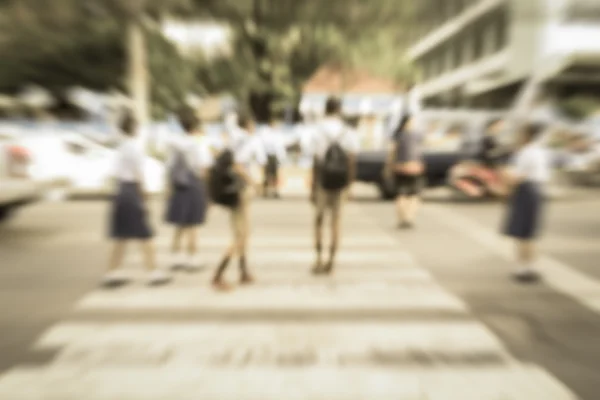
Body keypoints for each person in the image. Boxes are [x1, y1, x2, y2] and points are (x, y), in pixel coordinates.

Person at [103, 112, 170, 286]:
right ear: (133, 128)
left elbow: (115, 173)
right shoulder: (134, 147)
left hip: (120, 190)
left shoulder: (121, 146)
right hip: (131, 191)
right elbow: (138, 174)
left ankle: (112, 273)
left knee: (121, 235)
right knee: (145, 233)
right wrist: (144, 195)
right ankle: (153, 272)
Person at [308, 97, 359, 275]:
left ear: (325, 109)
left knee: (319, 221)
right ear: (339, 110)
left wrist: (312, 187)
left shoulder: (317, 131)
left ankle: (318, 258)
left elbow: (315, 160)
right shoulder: (348, 131)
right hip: (341, 182)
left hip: (323, 180)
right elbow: (352, 160)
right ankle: (331, 260)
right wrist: (350, 185)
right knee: (336, 222)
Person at [210, 115, 262, 290]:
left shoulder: (232, 138)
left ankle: (243, 271)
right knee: (241, 235)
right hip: (240, 191)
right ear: (247, 124)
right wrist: (254, 183)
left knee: (241, 233)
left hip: (232, 191)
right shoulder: (246, 140)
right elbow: (238, 165)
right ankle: (218, 274)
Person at [501, 122, 551, 282]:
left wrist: (504, 175)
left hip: (526, 190)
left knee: (523, 232)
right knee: (529, 232)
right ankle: (528, 267)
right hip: (535, 190)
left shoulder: (527, 152)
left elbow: (517, 177)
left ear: (527, 135)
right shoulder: (539, 151)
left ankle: (523, 269)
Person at [164, 108, 213, 271]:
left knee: (180, 222)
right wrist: (208, 191)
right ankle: (192, 257)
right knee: (193, 223)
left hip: (179, 185)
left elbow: (169, 167)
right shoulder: (199, 143)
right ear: (195, 126)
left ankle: (175, 256)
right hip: (194, 184)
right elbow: (204, 168)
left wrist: (168, 187)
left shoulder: (175, 143)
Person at [384, 113, 425, 229]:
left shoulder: (398, 135)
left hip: (400, 167)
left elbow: (392, 152)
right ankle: (409, 218)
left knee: (401, 194)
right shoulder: (416, 135)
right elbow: (420, 152)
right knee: (414, 195)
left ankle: (402, 218)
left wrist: (388, 167)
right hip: (415, 168)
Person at [258, 115, 287, 198]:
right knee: (267, 174)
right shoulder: (264, 132)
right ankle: (265, 191)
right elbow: (262, 144)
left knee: (275, 174)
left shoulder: (277, 133)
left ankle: (275, 190)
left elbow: (280, 146)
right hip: (267, 155)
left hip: (275, 156)